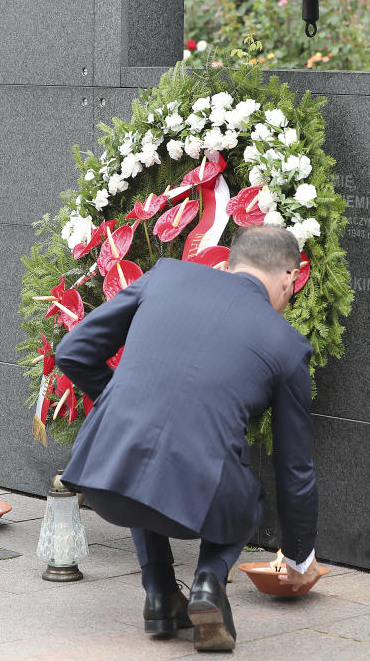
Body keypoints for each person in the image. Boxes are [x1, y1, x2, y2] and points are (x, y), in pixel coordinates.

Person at [55, 226, 322, 653]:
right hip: (203, 501)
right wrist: (298, 559)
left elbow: (71, 351)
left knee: (147, 463)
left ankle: (160, 594)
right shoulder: (287, 345)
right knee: (250, 493)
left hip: (104, 480)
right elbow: (294, 468)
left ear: (232, 263)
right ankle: (208, 583)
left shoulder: (165, 275)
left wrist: (122, 412)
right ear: (290, 278)